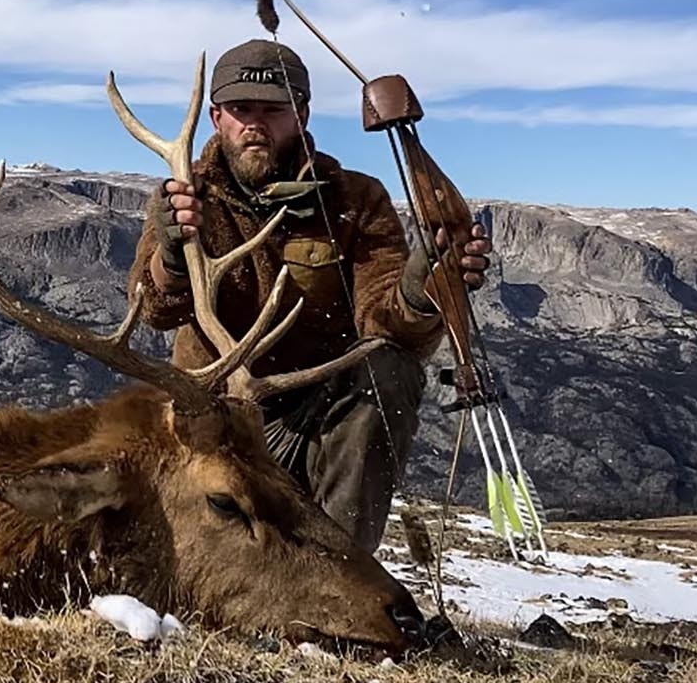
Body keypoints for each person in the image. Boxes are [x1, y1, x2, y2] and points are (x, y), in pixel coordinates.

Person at [128, 38, 493, 552]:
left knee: (388, 370)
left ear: (301, 114)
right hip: (219, 426)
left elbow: (386, 328)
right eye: (241, 110)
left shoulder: (357, 198)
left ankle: (340, 574)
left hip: (319, 423)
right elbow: (154, 311)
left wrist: (421, 285)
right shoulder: (185, 199)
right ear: (216, 118)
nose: (255, 123)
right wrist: (170, 255)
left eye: (273, 110)